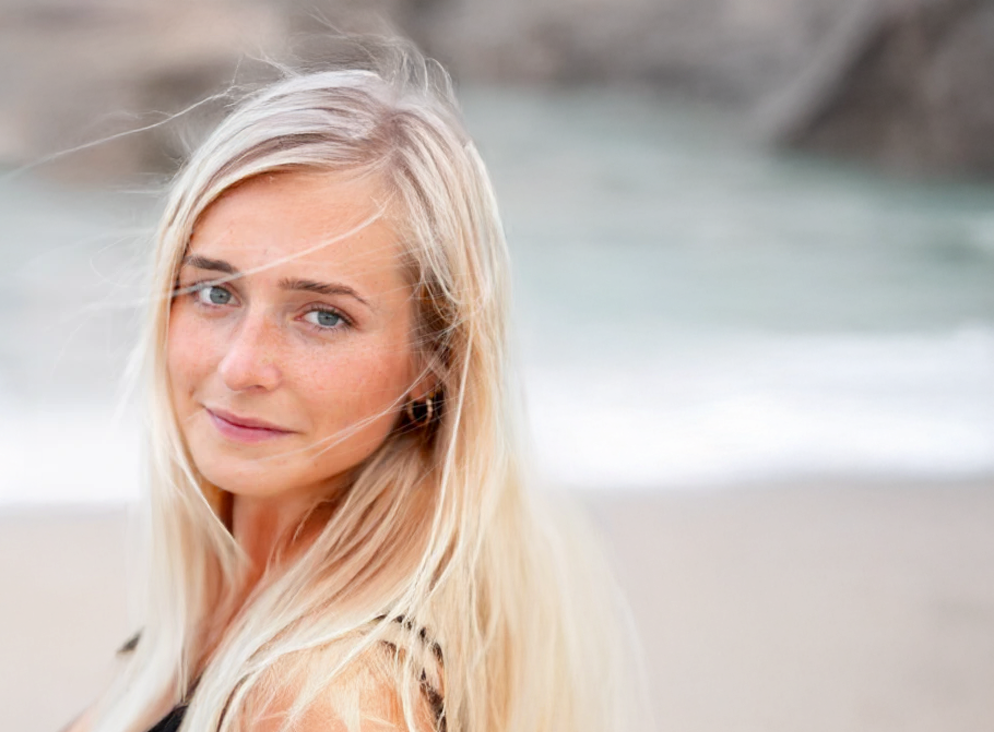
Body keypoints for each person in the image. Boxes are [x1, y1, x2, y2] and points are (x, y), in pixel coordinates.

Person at [66, 45, 646, 732]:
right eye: (215, 291)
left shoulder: (328, 700)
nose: (240, 366)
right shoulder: (225, 607)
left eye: (323, 315)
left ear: (434, 361)